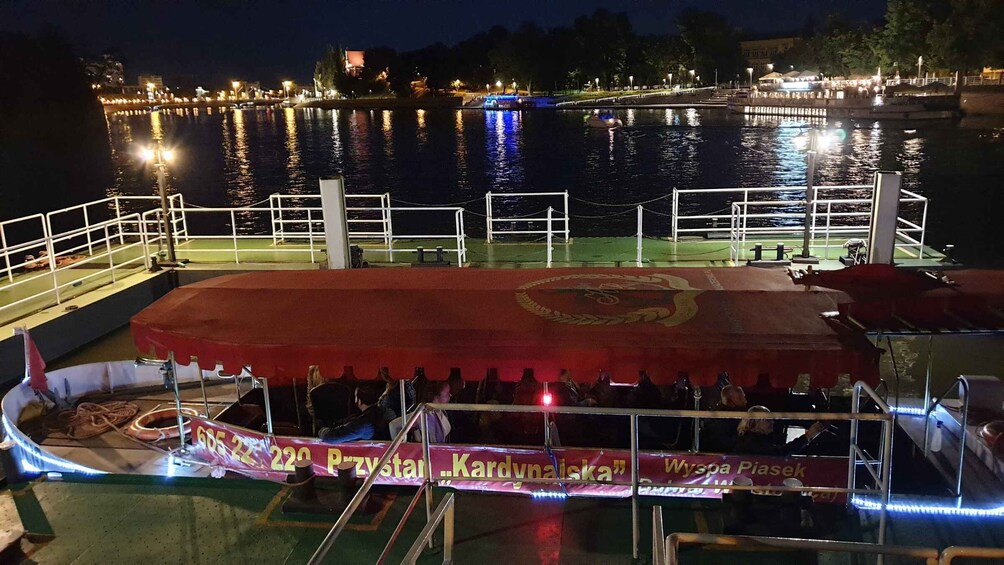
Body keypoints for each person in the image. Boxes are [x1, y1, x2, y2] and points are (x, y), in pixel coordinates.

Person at [734, 406, 825, 456]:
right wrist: (807, 436)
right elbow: (780, 453)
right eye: (768, 420)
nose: (772, 422)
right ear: (757, 422)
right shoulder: (750, 442)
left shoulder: (756, 439)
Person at [318, 384, 389, 443]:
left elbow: (330, 437)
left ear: (359, 400)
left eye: (355, 396)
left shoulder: (364, 422)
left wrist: (322, 431)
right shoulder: (378, 412)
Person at [701, 385, 748, 452]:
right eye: (740, 395)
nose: (744, 395)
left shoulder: (745, 415)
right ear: (730, 399)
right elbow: (725, 444)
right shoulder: (717, 420)